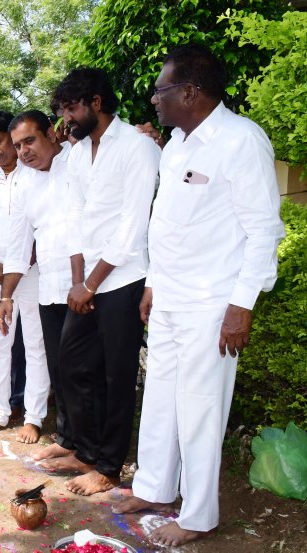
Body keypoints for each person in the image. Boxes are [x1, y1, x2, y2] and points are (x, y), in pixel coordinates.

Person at [112, 45, 285, 547]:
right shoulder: (175, 145)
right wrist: (152, 285)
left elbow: (263, 231)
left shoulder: (240, 141)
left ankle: (199, 513)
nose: (154, 98)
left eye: (161, 90)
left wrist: (242, 304)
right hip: (169, 297)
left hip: (214, 301)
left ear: (190, 92)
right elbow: (167, 224)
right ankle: (154, 487)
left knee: (201, 406)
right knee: (162, 396)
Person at [44, 68, 160, 496]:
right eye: (62, 109)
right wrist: (79, 285)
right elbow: (73, 219)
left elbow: (132, 226)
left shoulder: (136, 148)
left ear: (95, 102)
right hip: (87, 283)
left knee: (116, 375)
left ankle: (110, 466)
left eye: (71, 108)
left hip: (124, 278)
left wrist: (91, 285)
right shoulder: (75, 155)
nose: (66, 118)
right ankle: (87, 451)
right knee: (73, 365)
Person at [0, 111, 49, 440]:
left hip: (33, 273)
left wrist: (20, 266)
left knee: (35, 344)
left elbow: (40, 226)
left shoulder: (37, 174)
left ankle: (34, 416)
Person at [0, 110, 73, 449]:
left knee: (87, 370)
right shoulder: (24, 181)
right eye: (19, 145)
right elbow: (19, 243)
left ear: (52, 134)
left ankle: (93, 449)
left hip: (93, 286)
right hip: (49, 287)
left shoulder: (79, 159)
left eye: (30, 140)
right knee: (58, 365)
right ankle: (69, 439)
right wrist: (5, 296)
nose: (24, 151)